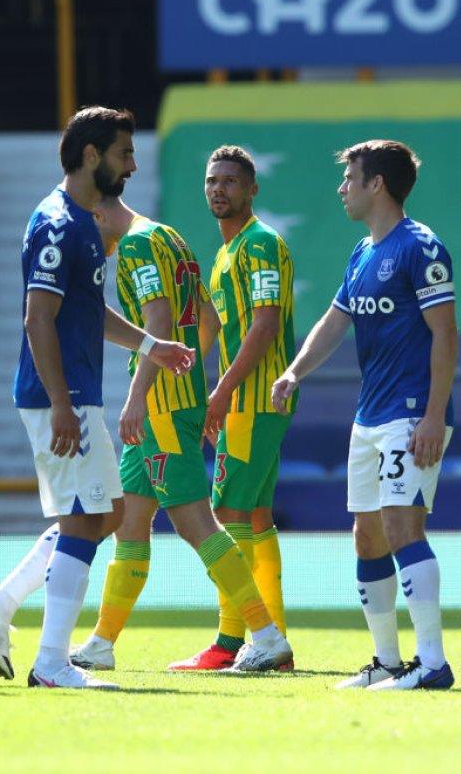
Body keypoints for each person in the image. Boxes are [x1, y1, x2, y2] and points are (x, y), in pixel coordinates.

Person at [0, 106, 196, 690]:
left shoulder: (83, 223)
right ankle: (51, 663)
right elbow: (38, 319)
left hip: (75, 393)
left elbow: (87, 314)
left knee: (107, 513)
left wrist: (149, 344)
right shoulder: (58, 225)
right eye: (124, 153)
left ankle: (2, 605)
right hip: (60, 397)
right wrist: (63, 403)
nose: (134, 165)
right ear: (92, 155)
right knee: (88, 516)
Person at [67, 193, 293, 674]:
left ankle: (267, 635)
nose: (91, 242)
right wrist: (188, 371)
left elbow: (159, 320)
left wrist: (137, 397)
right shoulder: (169, 236)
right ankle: (102, 642)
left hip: (161, 408)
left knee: (197, 524)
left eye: (89, 229)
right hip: (172, 399)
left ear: (98, 212)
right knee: (130, 523)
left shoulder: (133, 245)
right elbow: (205, 320)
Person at [271, 140, 457, 691]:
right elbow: (334, 320)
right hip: (369, 414)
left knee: (403, 527)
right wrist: (293, 372)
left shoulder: (421, 247)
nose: (342, 187)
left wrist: (432, 416)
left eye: (349, 176)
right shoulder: (362, 252)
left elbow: (444, 332)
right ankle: (386, 661)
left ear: (377, 183)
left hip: (410, 411)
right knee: (367, 537)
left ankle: (432, 663)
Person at [166, 146, 298, 672]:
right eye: (210, 181)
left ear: (251, 189)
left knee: (224, 516)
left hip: (253, 399)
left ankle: (230, 640)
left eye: (229, 181)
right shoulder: (226, 254)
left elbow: (264, 326)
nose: (218, 189)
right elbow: (218, 327)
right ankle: (273, 635)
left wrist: (220, 392)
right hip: (250, 399)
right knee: (256, 516)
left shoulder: (260, 245)